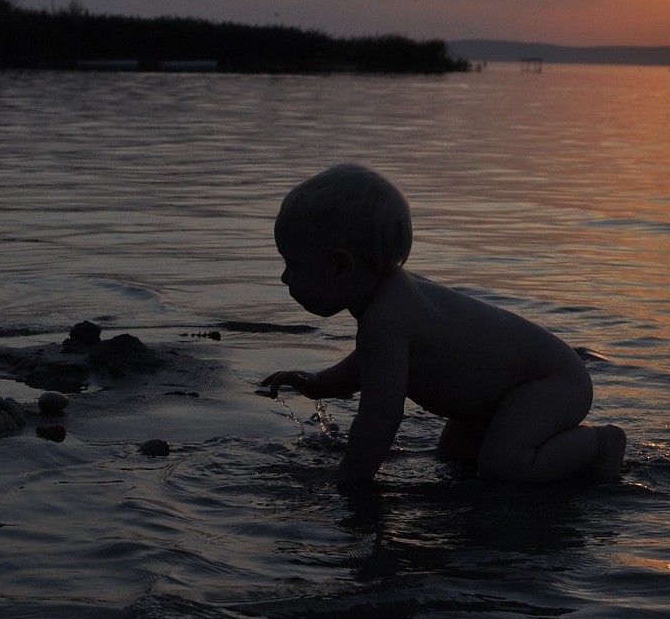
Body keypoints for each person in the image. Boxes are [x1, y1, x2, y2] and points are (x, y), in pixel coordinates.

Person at [260, 163, 625, 485]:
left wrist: (348, 478)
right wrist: (321, 383)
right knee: (454, 455)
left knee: (506, 467)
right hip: (507, 390)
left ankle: (601, 443)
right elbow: (372, 364)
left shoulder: (386, 318)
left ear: (341, 266)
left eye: (292, 264)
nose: (283, 277)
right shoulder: (389, 303)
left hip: (547, 382)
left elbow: (381, 416)